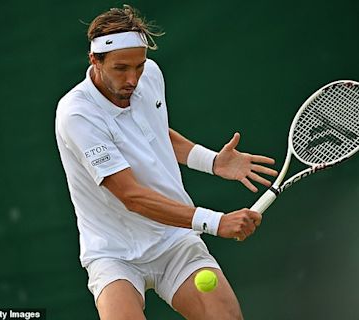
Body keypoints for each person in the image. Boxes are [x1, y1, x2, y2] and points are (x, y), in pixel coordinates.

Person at [55, 5, 277, 320]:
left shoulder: (151, 75)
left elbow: (155, 131)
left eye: (139, 66)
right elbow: (131, 196)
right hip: (115, 254)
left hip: (173, 239)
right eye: (121, 68)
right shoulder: (77, 114)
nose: (133, 78)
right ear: (95, 60)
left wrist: (211, 161)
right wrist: (215, 222)